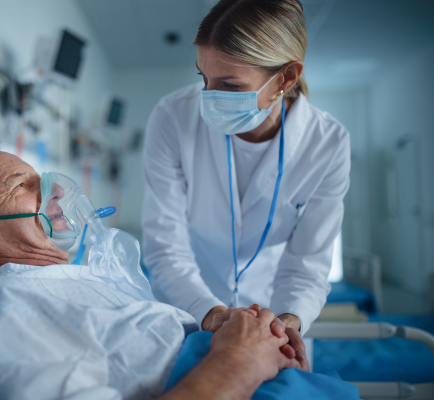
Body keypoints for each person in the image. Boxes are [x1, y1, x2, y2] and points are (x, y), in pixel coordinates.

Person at [0, 133, 304, 400]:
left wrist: (233, 330)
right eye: (22, 185)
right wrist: (240, 360)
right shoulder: (1, 308)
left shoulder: (74, 280)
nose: (55, 189)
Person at [142, 0, 350, 368]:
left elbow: (306, 265)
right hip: (190, 304)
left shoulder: (327, 144)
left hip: (275, 318)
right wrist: (210, 313)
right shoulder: (173, 118)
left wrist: (288, 320)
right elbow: (165, 249)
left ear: (285, 78)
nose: (208, 98)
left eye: (229, 85)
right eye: (203, 79)